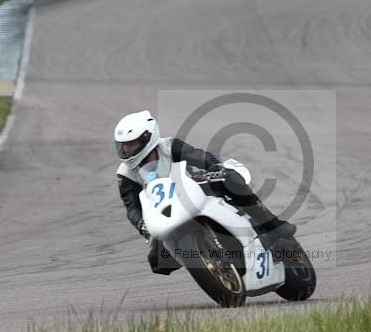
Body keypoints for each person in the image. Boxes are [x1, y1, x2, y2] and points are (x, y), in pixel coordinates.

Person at [113, 110, 297, 274]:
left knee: (230, 179)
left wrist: (213, 167)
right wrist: (142, 226)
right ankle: (205, 260)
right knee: (157, 260)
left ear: (148, 138)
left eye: (132, 144)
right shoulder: (125, 174)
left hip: (196, 190)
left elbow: (199, 156)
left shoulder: (169, 146)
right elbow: (132, 207)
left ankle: (272, 225)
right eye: (123, 145)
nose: (127, 150)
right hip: (167, 212)